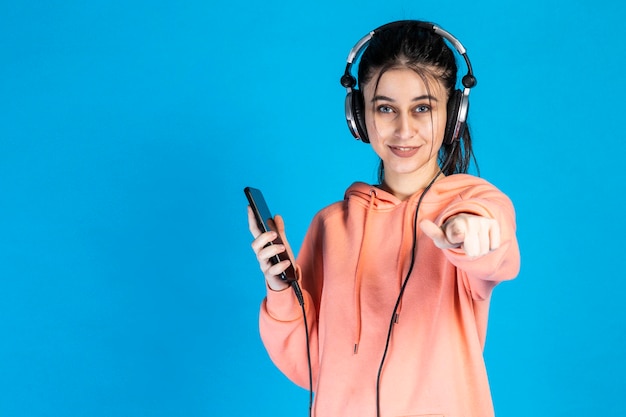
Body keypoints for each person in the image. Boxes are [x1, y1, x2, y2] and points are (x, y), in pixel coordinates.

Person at [247, 20, 520, 417]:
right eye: (386, 108)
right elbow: (307, 364)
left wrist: (471, 233)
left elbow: (496, 244)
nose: (404, 129)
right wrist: (280, 290)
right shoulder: (330, 226)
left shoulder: (471, 202)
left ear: (453, 115)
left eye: (423, 108)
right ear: (359, 116)